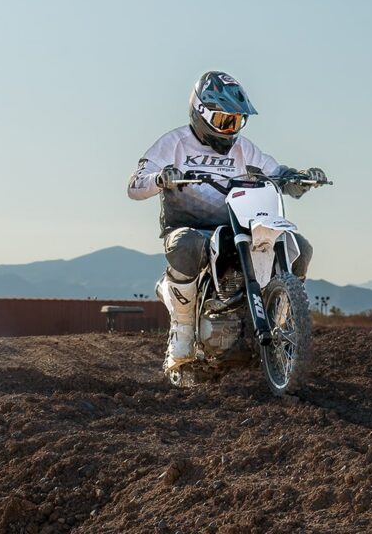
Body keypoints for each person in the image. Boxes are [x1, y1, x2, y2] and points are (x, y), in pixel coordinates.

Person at [127, 71, 327, 373]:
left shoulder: (242, 148)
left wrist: (298, 178)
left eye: (236, 122)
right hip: (189, 227)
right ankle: (181, 333)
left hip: (239, 224)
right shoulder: (174, 143)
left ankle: (284, 321)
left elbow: (275, 172)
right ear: (201, 114)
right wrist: (160, 178)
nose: (230, 130)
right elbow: (135, 184)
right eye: (224, 121)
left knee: (299, 247)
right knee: (186, 244)